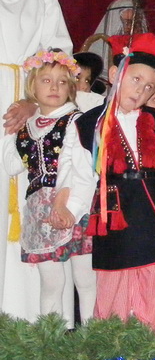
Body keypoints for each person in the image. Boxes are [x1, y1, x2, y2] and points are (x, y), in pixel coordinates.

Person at [55, 33, 155, 337]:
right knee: (115, 280)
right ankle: (114, 343)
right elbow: (82, 176)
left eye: (150, 87)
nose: (141, 90)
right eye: (136, 80)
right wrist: (69, 210)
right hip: (115, 213)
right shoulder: (87, 124)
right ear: (116, 73)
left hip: (153, 212)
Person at [0, 0, 71, 321]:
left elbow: (59, 50)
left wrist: (31, 98)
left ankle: (32, 321)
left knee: (32, 202)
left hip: (31, 106)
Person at [0, 49, 95, 328]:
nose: (54, 87)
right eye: (46, 81)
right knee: (51, 282)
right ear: (33, 86)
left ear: (71, 87)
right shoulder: (28, 127)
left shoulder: (76, 121)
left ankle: (92, 336)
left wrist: (70, 205)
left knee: (85, 278)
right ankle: (51, 337)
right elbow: (11, 165)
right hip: (40, 210)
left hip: (75, 204)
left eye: (62, 82)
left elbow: (82, 168)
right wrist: (10, 130)